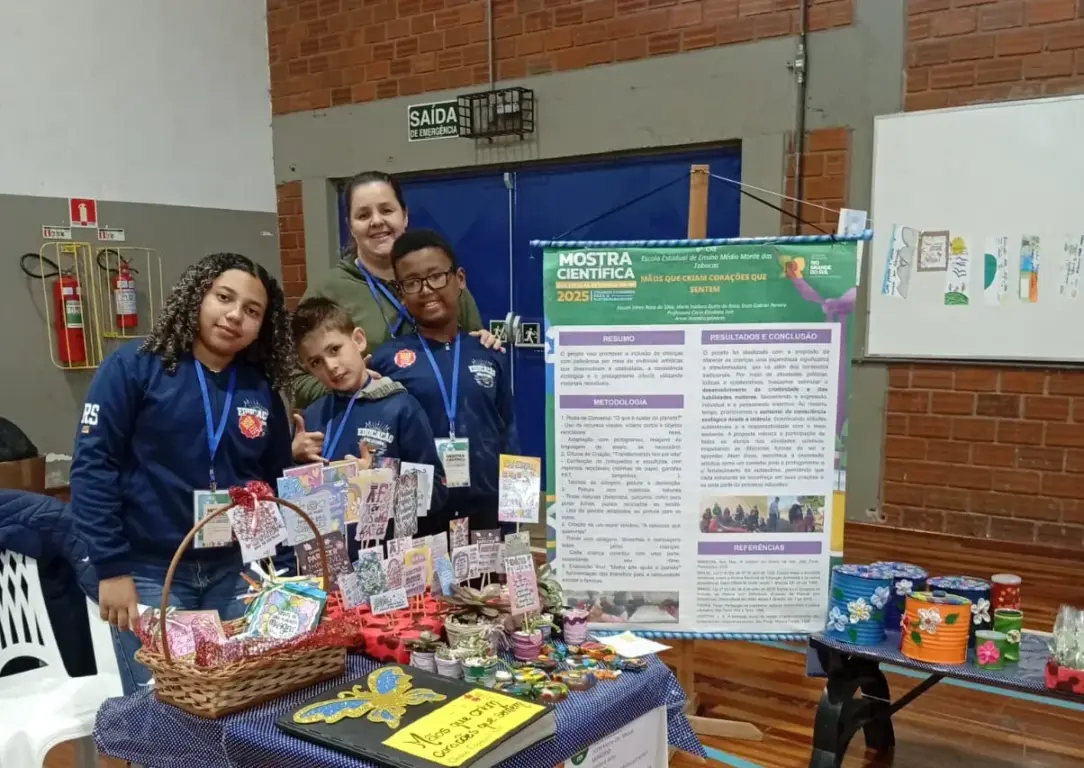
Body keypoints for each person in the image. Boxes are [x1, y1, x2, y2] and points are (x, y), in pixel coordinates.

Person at [70, 253, 295, 694]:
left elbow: (271, 485)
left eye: (252, 311)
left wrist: (280, 572)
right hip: (150, 572)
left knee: (238, 700)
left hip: (236, 573)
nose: (235, 316)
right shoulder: (135, 367)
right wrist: (112, 570)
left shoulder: (259, 387)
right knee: (165, 710)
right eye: (224, 298)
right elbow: (94, 468)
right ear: (197, 295)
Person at [293, 170, 502, 408]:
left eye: (386, 210)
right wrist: (351, 387)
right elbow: (295, 380)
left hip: (444, 425)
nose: (376, 221)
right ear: (350, 226)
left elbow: (472, 351)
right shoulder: (327, 292)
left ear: (404, 216)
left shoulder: (443, 282)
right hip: (372, 432)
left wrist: (484, 342)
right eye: (363, 215)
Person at [370, 229, 519, 534]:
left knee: (487, 584)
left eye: (436, 276)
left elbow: (509, 433)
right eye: (412, 282)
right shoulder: (387, 359)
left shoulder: (489, 353)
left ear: (459, 279)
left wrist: (517, 519)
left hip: (485, 508)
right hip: (418, 514)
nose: (425, 290)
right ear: (401, 293)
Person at [289, 296, 448, 530]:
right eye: (316, 362)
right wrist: (293, 457)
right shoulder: (311, 418)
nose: (330, 366)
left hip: (386, 558)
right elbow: (293, 502)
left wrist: (378, 480)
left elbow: (437, 491)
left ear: (359, 340)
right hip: (326, 558)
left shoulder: (401, 407)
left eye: (335, 349)